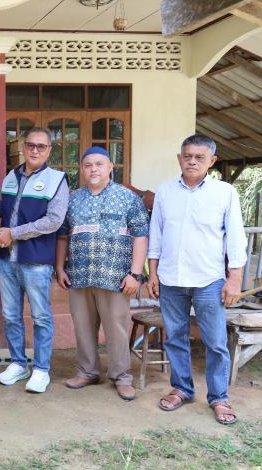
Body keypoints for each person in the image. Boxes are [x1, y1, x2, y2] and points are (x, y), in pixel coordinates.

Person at [148, 134, 246, 425]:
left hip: (209, 280)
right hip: (170, 279)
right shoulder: (165, 191)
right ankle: (182, 388)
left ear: (211, 161)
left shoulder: (225, 192)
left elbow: (236, 238)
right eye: (187, 156)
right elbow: (156, 236)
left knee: (215, 342)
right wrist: (152, 273)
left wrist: (234, 279)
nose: (192, 161)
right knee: (175, 337)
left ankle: (219, 397)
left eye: (199, 157)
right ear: (179, 158)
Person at [0, 127, 69, 393]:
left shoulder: (57, 180)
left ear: (49, 150)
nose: (35, 150)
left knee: (41, 317)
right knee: (10, 316)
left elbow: (53, 221)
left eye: (41, 146)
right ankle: (18, 364)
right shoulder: (11, 177)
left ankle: (41, 369)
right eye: (30, 145)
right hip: (7, 261)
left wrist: (13, 234)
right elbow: (5, 210)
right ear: (23, 147)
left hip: (36, 262)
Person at [54, 146, 149, 401]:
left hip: (115, 277)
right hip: (79, 274)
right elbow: (62, 236)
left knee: (116, 328)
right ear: (82, 169)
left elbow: (141, 236)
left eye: (99, 164)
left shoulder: (127, 198)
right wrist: (60, 267)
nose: (93, 169)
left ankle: (122, 377)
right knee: (83, 327)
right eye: (88, 165)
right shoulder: (72, 199)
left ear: (110, 167)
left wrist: (135, 274)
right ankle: (87, 372)